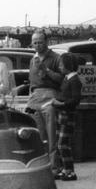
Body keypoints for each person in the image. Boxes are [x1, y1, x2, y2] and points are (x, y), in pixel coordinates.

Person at [26, 30, 64, 172]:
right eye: (34, 43)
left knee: (51, 133)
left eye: (40, 42)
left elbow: (61, 79)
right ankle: (41, 164)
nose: (37, 45)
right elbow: (32, 80)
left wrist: (46, 70)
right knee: (38, 133)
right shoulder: (32, 59)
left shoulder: (56, 58)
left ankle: (54, 166)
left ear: (46, 42)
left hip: (50, 95)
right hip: (35, 96)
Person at [51, 54, 82, 181]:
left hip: (67, 114)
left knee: (63, 144)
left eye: (61, 64)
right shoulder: (66, 79)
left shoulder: (75, 80)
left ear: (69, 65)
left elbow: (75, 100)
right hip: (60, 114)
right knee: (59, 142)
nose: (59, 66)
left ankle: (70, 171)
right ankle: (63, 169)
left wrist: (61, 103)